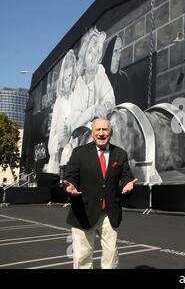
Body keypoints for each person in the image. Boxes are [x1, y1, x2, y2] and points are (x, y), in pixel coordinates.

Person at [63, 118, 137, 269]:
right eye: (98, 130)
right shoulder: (79, 152)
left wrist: (129, 183)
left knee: (111, 256)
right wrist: (70, 185)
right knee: (82, 256)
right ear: (92, 133)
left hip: (109, 214)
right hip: (83, 211)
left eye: (105, 129)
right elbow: (71, 175)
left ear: (111, 132)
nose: (101, 133)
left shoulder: (120, 154)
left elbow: (126, 175)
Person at [62, 27, 115, 160]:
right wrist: (93, 111)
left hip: (101, 131)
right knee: (69, 154)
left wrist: (107, 105)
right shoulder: (78, 83)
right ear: (84, 54)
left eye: (97, 51)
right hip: (80, 137)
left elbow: (109, 97)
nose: (94, 55)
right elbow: (74, 120)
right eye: (90, 51)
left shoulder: (100, 73)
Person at [45, 50, 77, 174]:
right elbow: (54, 125)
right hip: (58, 143)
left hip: (72, 141)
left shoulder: (76, 95)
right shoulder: (60, 100)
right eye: (65, 77)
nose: (67, 80)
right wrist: (52, 144)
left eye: (70, 77)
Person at [101, 35, 131, 105]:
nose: (118, 59)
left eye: (120, 52)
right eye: (115, 53)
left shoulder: (123, 78)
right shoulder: (100, 77)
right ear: (109, 54)